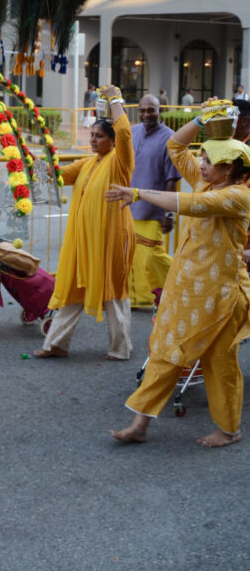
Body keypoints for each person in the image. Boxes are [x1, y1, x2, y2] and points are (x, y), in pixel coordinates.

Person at [107, 118, 250, 448]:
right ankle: (140, 424)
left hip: (223, 297)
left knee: (220, 363)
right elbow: (175, 147)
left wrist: (138, 193)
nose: (201, 165)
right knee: (166, 351)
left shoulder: (238, 197)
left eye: (209, 161)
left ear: (228, 170)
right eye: (202, 159)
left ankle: (229, 430)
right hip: (187, 292)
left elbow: (187, 205)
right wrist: (202, 119)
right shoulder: (207, 184)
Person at [33, 85, 135, 360]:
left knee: (112, 292)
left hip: (111, 239)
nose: (93, 139)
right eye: (91, 135)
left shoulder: (120, 162)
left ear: (113, 141)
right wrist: (30, 160)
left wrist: (115, 99)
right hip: (83, 240)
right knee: (73, 289)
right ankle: (55, 344)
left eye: (99, 136)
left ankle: (121, 347)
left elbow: (125, 131)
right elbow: (59, 176)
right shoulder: (89, 163)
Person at [129, 94, 180, 307]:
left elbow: (172, 178)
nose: (146, 114)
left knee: (152, 256)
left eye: (151, 110)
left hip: (154, 210)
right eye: (142, 110)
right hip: (129, 205)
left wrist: (168, 214)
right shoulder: (132, 132)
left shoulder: (171, 138)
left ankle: (182, 285)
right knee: (133, 256)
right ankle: (140, 297)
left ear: (160, 111)